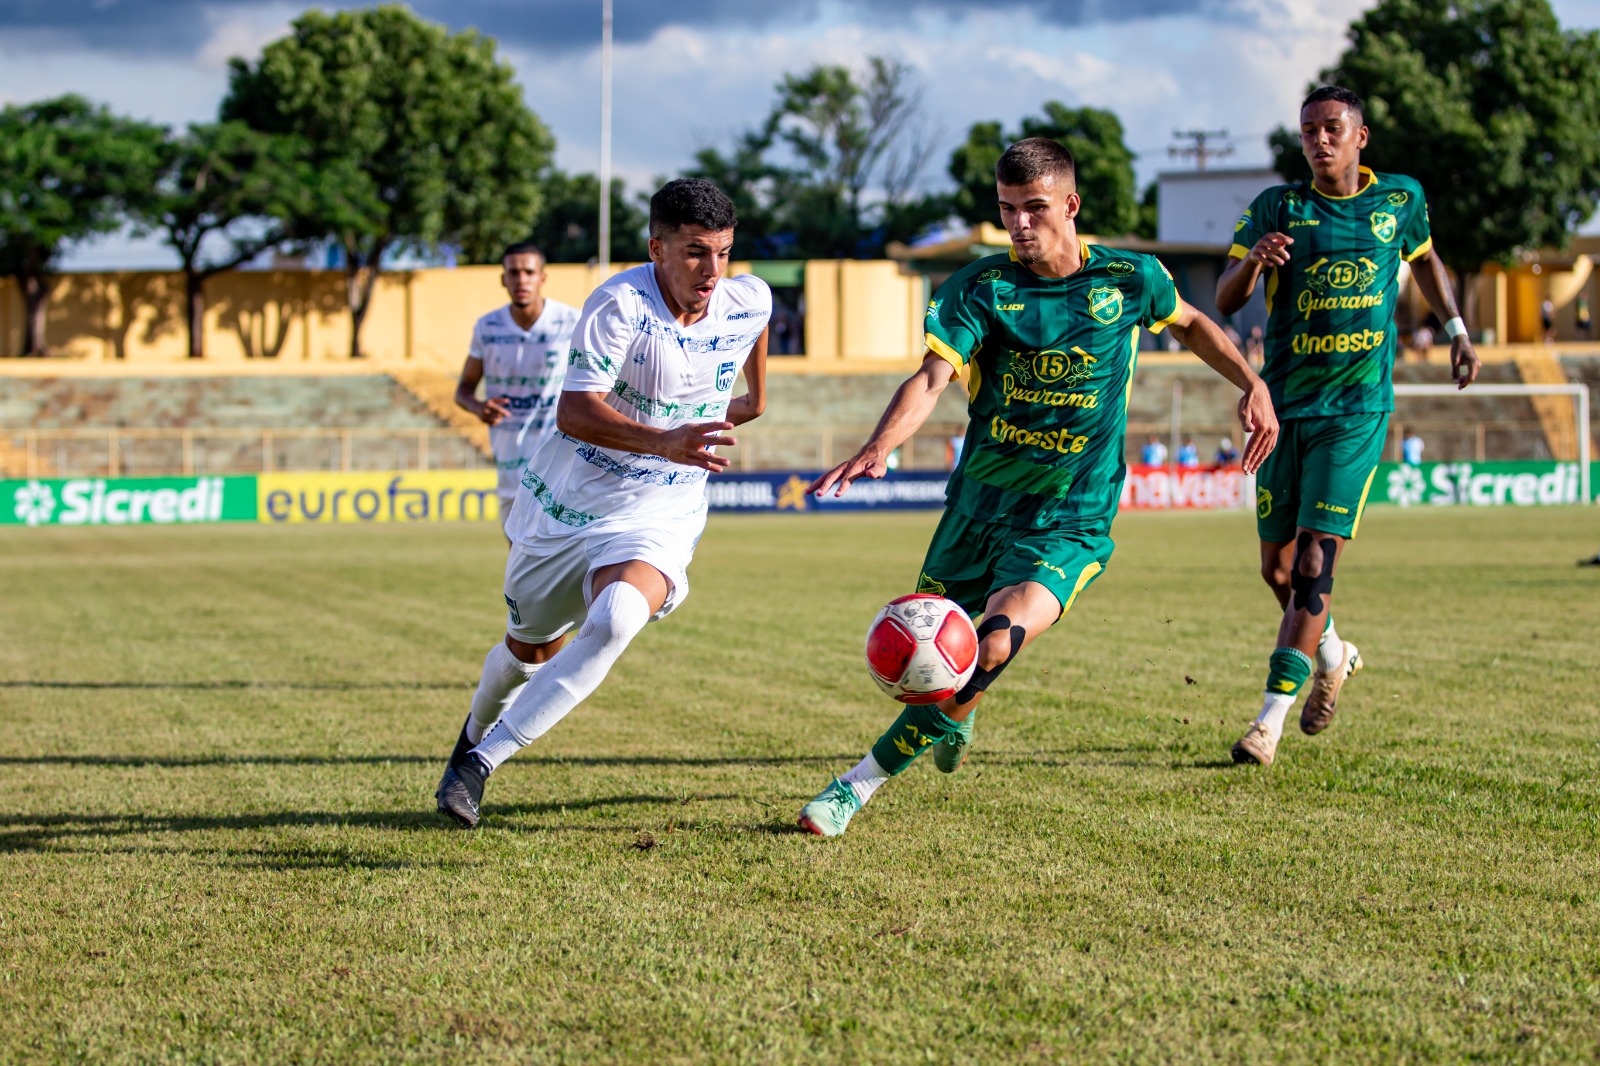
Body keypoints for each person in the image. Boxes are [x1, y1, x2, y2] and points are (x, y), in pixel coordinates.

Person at [795, 137, 1278, 837]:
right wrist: (879, 445)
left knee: (988, 649)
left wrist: (1253, 383)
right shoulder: (980, 289)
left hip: (1068, 518)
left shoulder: (1129, 279)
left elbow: (1195, 322)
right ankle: (958, 713)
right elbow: (931, 378)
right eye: (1008, 209)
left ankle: (854, 788)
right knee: (936, 658)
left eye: (1035, 208)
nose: (1021, 224)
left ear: (1071, 206)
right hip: (977, 510)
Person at [435, 179, 771, 828]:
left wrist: (725, 416)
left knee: (618, 617)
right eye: (696, 253)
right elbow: (576, 410)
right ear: (657, 247)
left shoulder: (747, 299)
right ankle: (471, 735)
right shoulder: (619, 304)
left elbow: (754, 388)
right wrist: (666, 437)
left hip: (659, 512)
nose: (713, 272)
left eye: (724, 253)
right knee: (527, 651)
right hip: (570, 504)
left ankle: (483, 763)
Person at [1216, 86, 1479, 768]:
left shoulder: (1399, 200)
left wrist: (1454, 328)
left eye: (1332, 128)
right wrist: (1253, 261)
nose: (1319, 140)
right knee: (1276, 569)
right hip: (1284, 408)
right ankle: (1333, 653)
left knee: (1311, 564)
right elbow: (1224, 298)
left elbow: (1424, 260)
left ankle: (1267, 724)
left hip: (1357, 410)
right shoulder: (1278, 208)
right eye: (1309, 130)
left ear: (1360, 137)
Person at [455, 241, 581, 535]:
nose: (521, 280)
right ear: (504, 279)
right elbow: (463, 389)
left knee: (563, 562)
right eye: (514, 273)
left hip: (560, 464)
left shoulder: (571, 322)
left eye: (528, 272)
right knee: (518, 568)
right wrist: (478, 406)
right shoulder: (487, 327)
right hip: (510, 466)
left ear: (542, 277)